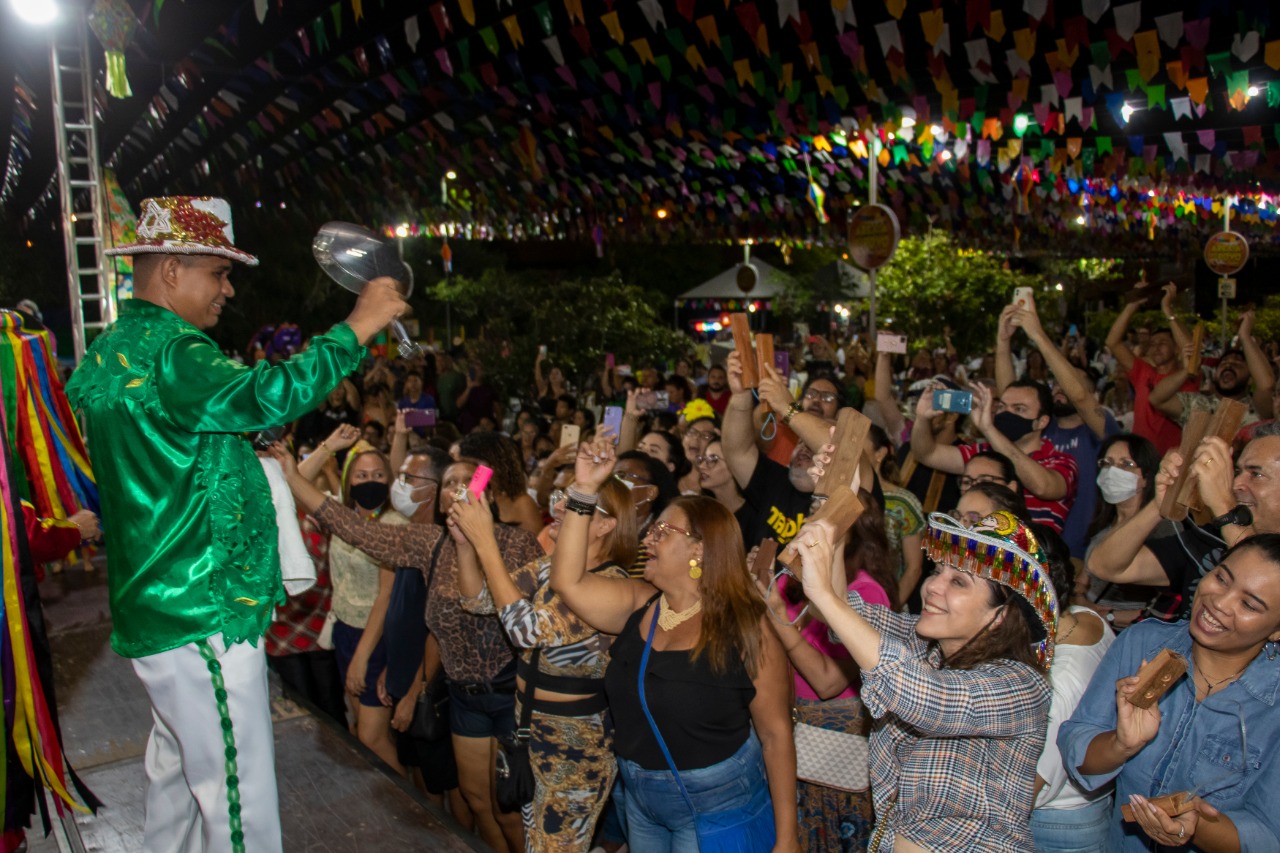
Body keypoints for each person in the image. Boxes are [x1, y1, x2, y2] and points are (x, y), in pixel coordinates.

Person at [64, 195, 406, 852]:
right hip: (204, 610)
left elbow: (163, 459)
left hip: (162, 608)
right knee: (238, 798)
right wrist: (356, 326)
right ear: (172, 270)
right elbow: (266, 395)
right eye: (218, 273)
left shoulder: (110, 354)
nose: (227, 290)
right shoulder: (173, 354)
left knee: (179, 781)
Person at [274, 446, 540, 853]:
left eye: (465, 481)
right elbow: (356, 530)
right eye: (448, 482)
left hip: (511, 697)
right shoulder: (428, 543)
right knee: (477, 802)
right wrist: (293, 479)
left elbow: (527, 618)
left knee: (508, 810)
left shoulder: (518, 544)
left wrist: (480, 541)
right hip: (463, 698)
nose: (455, 489)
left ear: (484, 492)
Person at [551, 438, 799, 852]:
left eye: (663, 531)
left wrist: (787, 838)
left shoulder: (746, 629)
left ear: (700, 549)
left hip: (718, 803)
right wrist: (584, 490)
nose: (649, 536)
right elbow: (567, 581)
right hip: (640, 801)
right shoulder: (637, 603)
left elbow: (775, 735)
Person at [792, 508, 1056, 851]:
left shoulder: (1022, 686)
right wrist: (839, 510)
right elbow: (844, 618)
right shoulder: (926, 648)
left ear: (1000, 616)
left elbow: (929, 699)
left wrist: (825, 595)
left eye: (958, 581)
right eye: (937, 571)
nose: (932, 586)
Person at [449, 468, 638, 852]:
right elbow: (478, 600)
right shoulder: (549, 568)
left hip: (575, 750)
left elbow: (526, 630)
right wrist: (467, 545)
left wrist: (487, 541)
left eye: (576, 503)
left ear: (605, 526)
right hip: (529, 733)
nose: (560, 506)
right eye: (562, 497)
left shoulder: (611, 582)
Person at [1058, 534, 1280, 851]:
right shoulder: (1144, 644)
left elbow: (1269, 837)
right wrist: (1121, 744)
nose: (1219, 601)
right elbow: (1076, 747)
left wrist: (1198, 826)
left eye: (1248, 604)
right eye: (1221, 578)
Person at [762, 498, 896, 852]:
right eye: (813, 510)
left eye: (827, 512)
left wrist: (775, 613)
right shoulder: (792, 579)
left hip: (832, 742)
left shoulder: (867, 593)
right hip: (786, 728)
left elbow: (827, 682)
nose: (812, 520)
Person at [1086, 424, 1280, 622]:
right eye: (1237, 471)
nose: (1236, 483)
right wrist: (1160, 504)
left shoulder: (1225, 521)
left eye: (1256, 474)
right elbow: (1105, 566)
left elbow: (1265, 578)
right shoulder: (1213, 537)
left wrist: (1223, 506)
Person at [1026, 525, 1115, 853]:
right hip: (1088, 807)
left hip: (1054, 827)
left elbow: (1028, 790)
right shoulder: (1086, 617)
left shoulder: (1056, 682)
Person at [911, 377, 1078, 532]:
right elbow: (927, 453)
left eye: (1019, 409)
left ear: (1042, 421)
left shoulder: (1060, 462)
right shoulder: (983, 453)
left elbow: (1043, 487)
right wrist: (922, 419)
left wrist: (989, 430)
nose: (1006, 414)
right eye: (1002, 407)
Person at [1080, 434, 1166, 630]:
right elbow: (1084, 580)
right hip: (1092, 623)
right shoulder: (1104, 524)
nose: (1112, 472)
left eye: (1126, 464)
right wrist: (1080, 600)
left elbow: (1166, 601)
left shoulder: (1160, 529)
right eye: (1107, 463)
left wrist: (1109, 616)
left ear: (1146, 478)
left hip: (1130, 631)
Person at [1104, 283, 1195, 455]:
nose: (1156, 347)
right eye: (1152, 344)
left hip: (1173, 461)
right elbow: (1112, 342)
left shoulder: (1187, 376)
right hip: (1142, 460)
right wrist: (1132, 305)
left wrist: (1167, 309)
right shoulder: (1143, 372)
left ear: (1176, 349)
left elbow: (1191, 352)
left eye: (1163, 343)